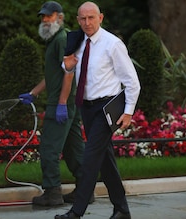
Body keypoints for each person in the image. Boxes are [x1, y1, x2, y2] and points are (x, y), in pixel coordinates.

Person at [55, 2, 140, 219]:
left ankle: (77, 212)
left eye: (91, 18)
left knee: (90, 158)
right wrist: (68, 65)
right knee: (105, 161)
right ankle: (122, 210)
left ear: (100, 18)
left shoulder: (113, 44)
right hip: (87, 107)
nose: (87, 23)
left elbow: (132, 82)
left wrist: (128, 112)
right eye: (83, 19)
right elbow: (68, 67)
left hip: (106, 109)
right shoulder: (77, 40)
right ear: (77, 20)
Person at [19, 1, 90, 206]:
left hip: (62, 104)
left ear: (59, 17)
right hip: (69, 104)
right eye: (42, 17)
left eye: (48, 16)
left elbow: (69, 73)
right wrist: (33, 93)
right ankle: (85, 190)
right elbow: (54, 74)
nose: (44, 20)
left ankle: (52, 193)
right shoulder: (56, 40)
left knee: (49, 149)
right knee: (73, 149)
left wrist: (60, 103)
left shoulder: (62, 39)